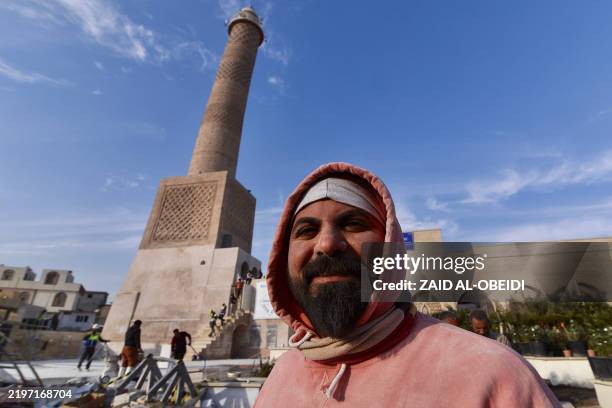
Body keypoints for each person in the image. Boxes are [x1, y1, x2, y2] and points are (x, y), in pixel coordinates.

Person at [254, 162, 560, 407]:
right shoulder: (283, 375)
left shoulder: (493, 376)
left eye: (353, 224)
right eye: (306, 230)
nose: (326, 244)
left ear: (391, 247)